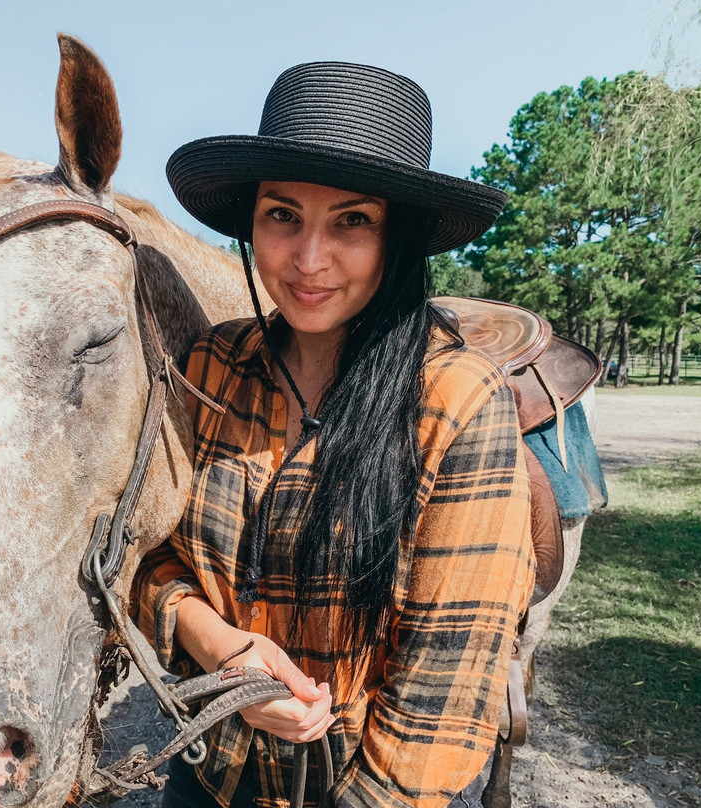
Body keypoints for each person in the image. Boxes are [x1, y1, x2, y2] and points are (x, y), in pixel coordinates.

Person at [131, 61, 534, 808]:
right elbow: (149, 554)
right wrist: (220, 647)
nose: (309, 259)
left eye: (352, 221)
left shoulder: (456, 399)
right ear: (251, 223)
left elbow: (443, 685)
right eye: (283, 214)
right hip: (205, 776)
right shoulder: (209, 367)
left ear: (399, 238)